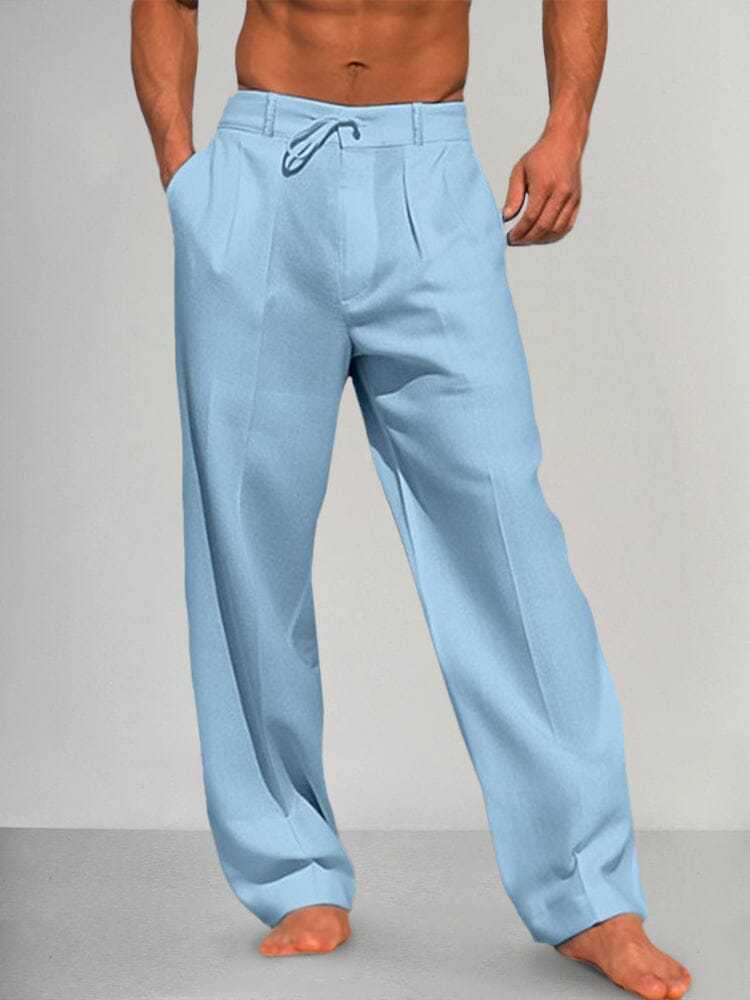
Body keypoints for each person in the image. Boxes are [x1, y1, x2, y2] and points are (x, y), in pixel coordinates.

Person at [131, 2, 691, 997]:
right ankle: (293, 868)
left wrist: (567, 126)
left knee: (508, 536)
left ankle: (590, 892)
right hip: (264, 171)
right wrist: (185, 175)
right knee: (246, 546)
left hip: (426, 168)